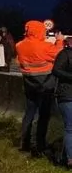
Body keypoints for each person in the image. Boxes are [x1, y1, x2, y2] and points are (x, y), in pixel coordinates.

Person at [16, 20, 64, 156]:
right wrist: (59, 41)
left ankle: (24, 144)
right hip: (46, 84)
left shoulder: (19, 45)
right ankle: (40, 145)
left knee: (29, 113)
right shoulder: (44, 46)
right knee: (43, 115)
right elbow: (58, 55)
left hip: (29, 83)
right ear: (39, 31)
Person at [51, 38, 72, 168]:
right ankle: (70, 158)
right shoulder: (65, 54)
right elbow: (56, 70)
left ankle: (66, 157)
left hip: (66, 95)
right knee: (70, 127)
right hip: (67, 95)